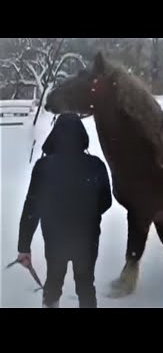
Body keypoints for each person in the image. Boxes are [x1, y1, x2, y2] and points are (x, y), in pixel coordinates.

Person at [16, 114, 112, 308]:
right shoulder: (96, 165)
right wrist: (87, 214)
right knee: (85, 285)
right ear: (82, 136)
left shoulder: (43, 167)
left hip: (55, 239)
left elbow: (32, 207)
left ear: (55, 136)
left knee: (53, 281)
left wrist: (24, 246)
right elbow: (106, 202)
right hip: (87, 238)